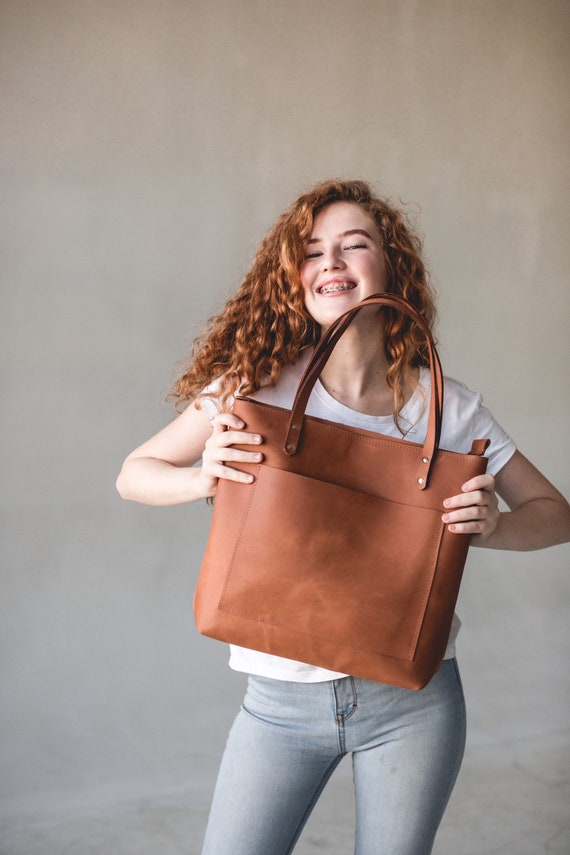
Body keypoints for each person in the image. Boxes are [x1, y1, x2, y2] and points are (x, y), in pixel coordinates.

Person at [116, 179, 570, 855]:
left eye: (354, 245)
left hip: (415, 703)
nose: (331, 261)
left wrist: (495, 527)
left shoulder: (449, 413)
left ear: (392, 268)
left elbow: (556, 513)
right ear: (293, 276)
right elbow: (133, 474)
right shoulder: (253, 389)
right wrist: (199, 476)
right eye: (312, 250)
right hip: (279, 705)